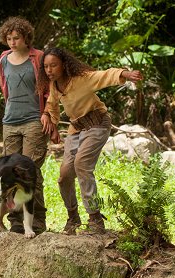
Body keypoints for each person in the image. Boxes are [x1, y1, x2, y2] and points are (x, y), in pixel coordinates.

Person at [36, 47, 143, 235]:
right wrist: (48, 117)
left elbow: (105, 75)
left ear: (64, 65)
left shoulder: (82, 79)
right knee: (64, 176)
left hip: (97, 124)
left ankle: (95, 219)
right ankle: (73, 217)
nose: (49, 70)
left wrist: (126, 73)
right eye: (46, 67)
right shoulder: (54, 85)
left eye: (53, 65)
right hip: (76, 128)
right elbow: (52, 104)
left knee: (82, 165)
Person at [0, 16, 58, 235]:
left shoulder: (39, 57)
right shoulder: (4, 59)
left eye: (16, 38)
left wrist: (47, 114)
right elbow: (5, 88)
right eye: (9, 38)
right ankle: (15, 220)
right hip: (10, 121)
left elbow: (51, 88)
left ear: (26, 38)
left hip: (34, 119)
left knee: (29, 171)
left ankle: (37, 220)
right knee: (10, 173)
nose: (12, 42)